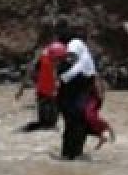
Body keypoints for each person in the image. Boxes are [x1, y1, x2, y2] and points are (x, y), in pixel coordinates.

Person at [54, 20, 97, 160]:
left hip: (77, 89)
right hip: (79, 89)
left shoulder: (74, 44)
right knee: (75, 124)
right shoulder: (79, 46)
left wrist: (60, 74)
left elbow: (70, 59)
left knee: (75, 123)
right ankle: (71, 155)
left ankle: (70, 154)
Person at [16, 41, 67, 132]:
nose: (57, 62)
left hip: (55, 96)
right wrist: (21, 90)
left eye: (59, 59)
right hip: (42, 94)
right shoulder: (42, 57)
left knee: (51, 125)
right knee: (43, 124)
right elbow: (29, 72)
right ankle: (24, 131)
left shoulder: (63, 60)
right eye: (55, 59)